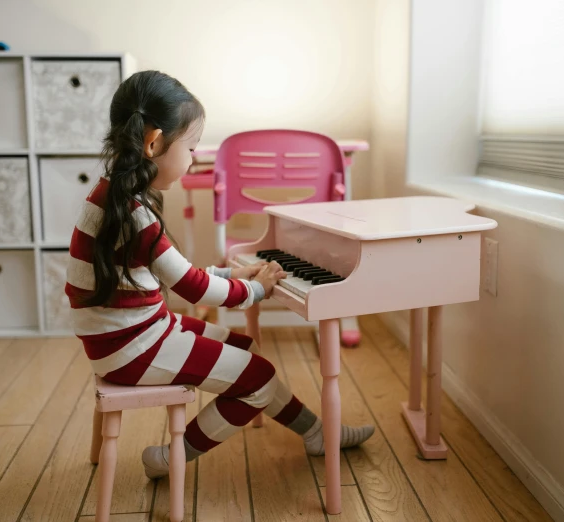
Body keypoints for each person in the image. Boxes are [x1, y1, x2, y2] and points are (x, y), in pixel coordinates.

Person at [65, 70, 374, 477]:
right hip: (133, 348)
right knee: (258, 377)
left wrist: (231, 271)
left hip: (130, 333)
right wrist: (255, 289)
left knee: (245, 349)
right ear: (153, 142)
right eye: (191, 147)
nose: (193, 158)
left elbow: (174, 272)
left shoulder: (112, 195)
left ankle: (315, 433)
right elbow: (193, 287)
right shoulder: (136, 215)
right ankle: (168, 459)